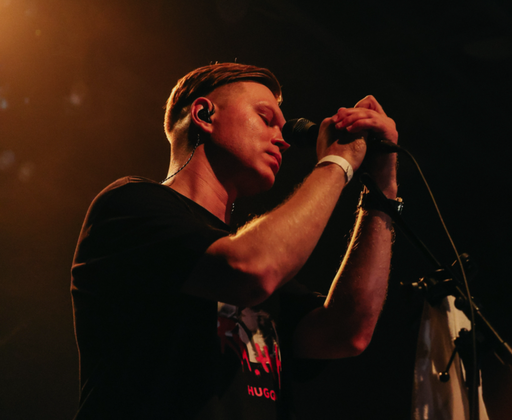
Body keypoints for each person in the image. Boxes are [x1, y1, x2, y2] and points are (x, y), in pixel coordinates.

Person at [70, 62, 399, 419]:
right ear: (204, 114)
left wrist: (382, 192)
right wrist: (336, 163)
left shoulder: (254, 254)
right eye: (265, 117)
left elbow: (348, 331)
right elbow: (253, 268)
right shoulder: (129, 206)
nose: (284, 139)